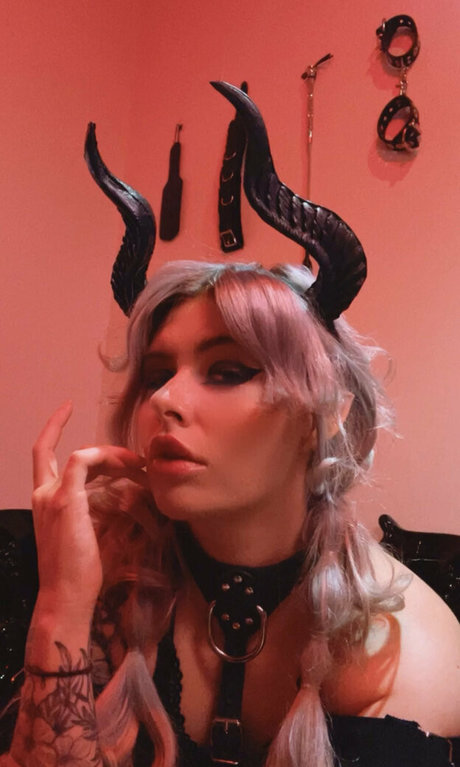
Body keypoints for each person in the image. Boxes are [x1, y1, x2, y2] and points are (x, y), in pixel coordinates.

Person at [2, 83, 460, 767]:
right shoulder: (108, 585)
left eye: (227, 370)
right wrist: (61, 603)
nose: (165, 399)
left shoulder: (402, 651)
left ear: (324, 411)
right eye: (156, 373)